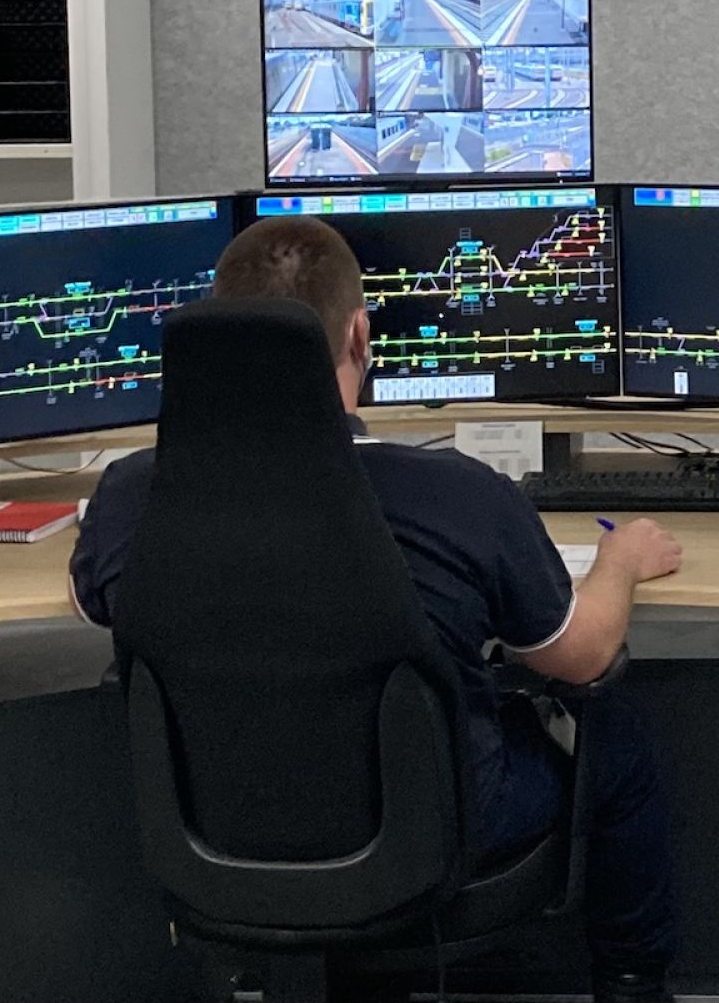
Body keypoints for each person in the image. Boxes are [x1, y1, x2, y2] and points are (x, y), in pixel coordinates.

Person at [69, 216, 681, 1002]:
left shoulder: (128, 496)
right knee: (614, 734)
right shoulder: (457, 495)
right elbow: (585, 653)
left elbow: (93, 601)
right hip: (433, 831)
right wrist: (620, 561)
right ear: (361, 334)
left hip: (211, 830)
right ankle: (633, 986)